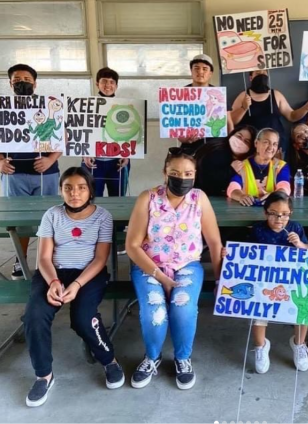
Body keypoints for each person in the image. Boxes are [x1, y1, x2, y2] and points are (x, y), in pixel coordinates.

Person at [23, 167, 124, 407]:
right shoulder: (52, 215)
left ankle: (109, 360)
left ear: (90, 190)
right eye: (68, 188)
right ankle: (43, 375)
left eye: (81, 187)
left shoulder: (102, 216)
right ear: (60, 190)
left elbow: (100, 259)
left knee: (83, 317)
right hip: (53, 274)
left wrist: (77, 284)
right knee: (34, 316)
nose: (74, 193)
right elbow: (44, 258)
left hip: (88, 274)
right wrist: (54, 282)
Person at [126, 147, 223, 390]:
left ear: (195, 174)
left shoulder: (199, 198)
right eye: (175, 172)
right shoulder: (147, 198)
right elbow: (133, 245)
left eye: (189, 173)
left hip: (187, 265)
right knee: (155, 313)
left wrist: (222, 277)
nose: (183, 178)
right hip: (150, 266)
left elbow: (213, 241)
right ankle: (152, 357)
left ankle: (182, 358)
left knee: (182, 307)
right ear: (165, 173)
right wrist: (159, 276)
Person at [0, 64, 62, 280]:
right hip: (13, 175)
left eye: (26, 78)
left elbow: (62, 136)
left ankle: (50, 260)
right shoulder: (2, 108)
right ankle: (20, 259)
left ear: (35, 83)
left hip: (47, 174)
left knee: (52, 219)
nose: (22, 82)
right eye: (17, 79)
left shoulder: (50, 106)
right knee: (20, 222)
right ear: (10, 83)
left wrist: (50, 159)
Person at [248, 191, 308, 373]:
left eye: (284, 214)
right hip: (265, 283)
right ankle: (261, 346)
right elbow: (244, 253)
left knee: (304, 306)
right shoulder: (258, 230)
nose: (279, 218)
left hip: (291, 282)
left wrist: (300, 245)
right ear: (265, 213)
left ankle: (299, 343)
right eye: (273, 213)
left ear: (290, 213)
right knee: (259, 309)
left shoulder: (296, 228)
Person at [230, 70, 308, 156]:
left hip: (276, 147)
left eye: (264, 73)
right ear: (250, 77)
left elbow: (291, 116)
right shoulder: (243, 96)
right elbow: (231, 121)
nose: (262, 75)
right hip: (253, 148)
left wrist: (306, 108)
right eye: (258, 73)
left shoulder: (276, 94)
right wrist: (243, 108)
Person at [82, 67, 130, 197]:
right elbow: (79, 130)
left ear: (116, 85)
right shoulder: (86, 105)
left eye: (111, 82)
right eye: (104, 81)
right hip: (93, 160)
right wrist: (85, 153)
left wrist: (127, 154)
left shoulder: (125, 106)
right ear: (97, 83)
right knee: (91, 197)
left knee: (118, 197)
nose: (108, 85)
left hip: (117, 160)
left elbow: (130, 131)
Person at [179, 54, 234, 154]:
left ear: (210, 73)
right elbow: (177, 125)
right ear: (191, 71)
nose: (200, 72)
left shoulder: (219, 94)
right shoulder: (180, 94)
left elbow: (229, 123)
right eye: (196, 68)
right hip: (190, 148)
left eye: (205, 69)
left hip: (216, 147)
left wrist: (230, 146)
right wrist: (186, 139)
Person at [227, 128, 291, 206]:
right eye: (266, 142)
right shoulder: (242, 165)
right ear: (256, 143)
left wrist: (274, 195)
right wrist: (241, 196)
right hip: (246, 211)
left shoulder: (281, 166)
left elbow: (285, 187)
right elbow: (232, 188)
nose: (271, 147)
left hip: (272, 211)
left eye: (275, 144)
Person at [195, 124, 257, 197]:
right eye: (239, 136)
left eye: (246, 141)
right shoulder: (218, 152)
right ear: (232, 134)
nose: (240, 141)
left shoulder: (243, 159)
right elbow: (207, 179)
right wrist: (231, 170)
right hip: (203, 195)